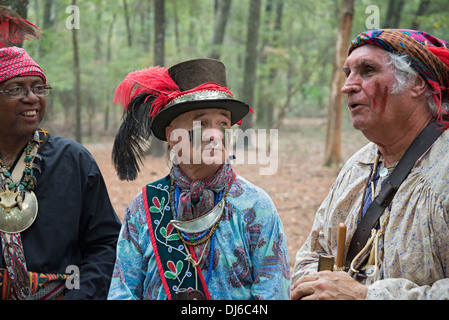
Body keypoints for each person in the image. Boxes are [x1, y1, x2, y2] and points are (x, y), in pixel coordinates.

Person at [107, 58, 290, 300]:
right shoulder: (141, 209)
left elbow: (273, 294)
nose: (215, 134)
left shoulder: (256, 207)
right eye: (201, 123)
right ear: (173, 136)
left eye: (223, 123)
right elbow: (122, 293)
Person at [291, 29, 449, 300]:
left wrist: (367, 296)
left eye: (367, 70)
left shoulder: (443, 170)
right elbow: (312, 253)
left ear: (416, 83)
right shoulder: (359, 165)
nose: (347, 86)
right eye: (348, 73)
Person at [0, 7, 121, 299]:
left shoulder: (73, 160)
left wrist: (81, 295)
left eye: (39, 88)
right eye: (17, 89)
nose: (32, 98)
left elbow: (105, 243)